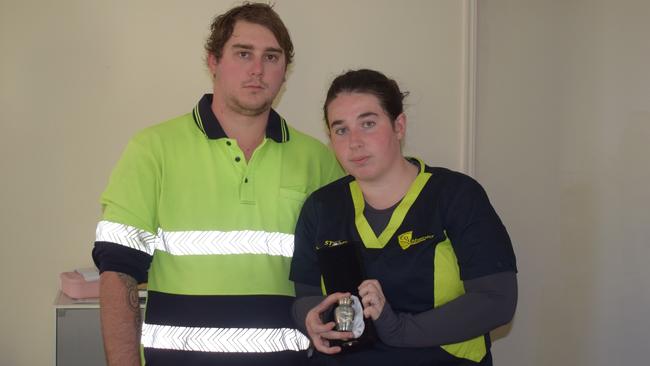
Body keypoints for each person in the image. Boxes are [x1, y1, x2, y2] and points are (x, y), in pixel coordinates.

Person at [92, 3, 342, 365]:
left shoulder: (318, 159)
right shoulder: (153, 150)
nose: (257, 69)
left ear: (284, 71)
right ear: (213, 61)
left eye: (271, 57)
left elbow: (341, 273)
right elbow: (117, 275)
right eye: (243, 54)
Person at [290, 69, 518, 365]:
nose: (354, 142)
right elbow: (305, 296)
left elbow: (497, 302)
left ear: (399, 126)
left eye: (368, 124)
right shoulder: (321, 207)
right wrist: (310, 317)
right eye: (341, 129)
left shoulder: (456, 196)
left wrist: (398, 329)